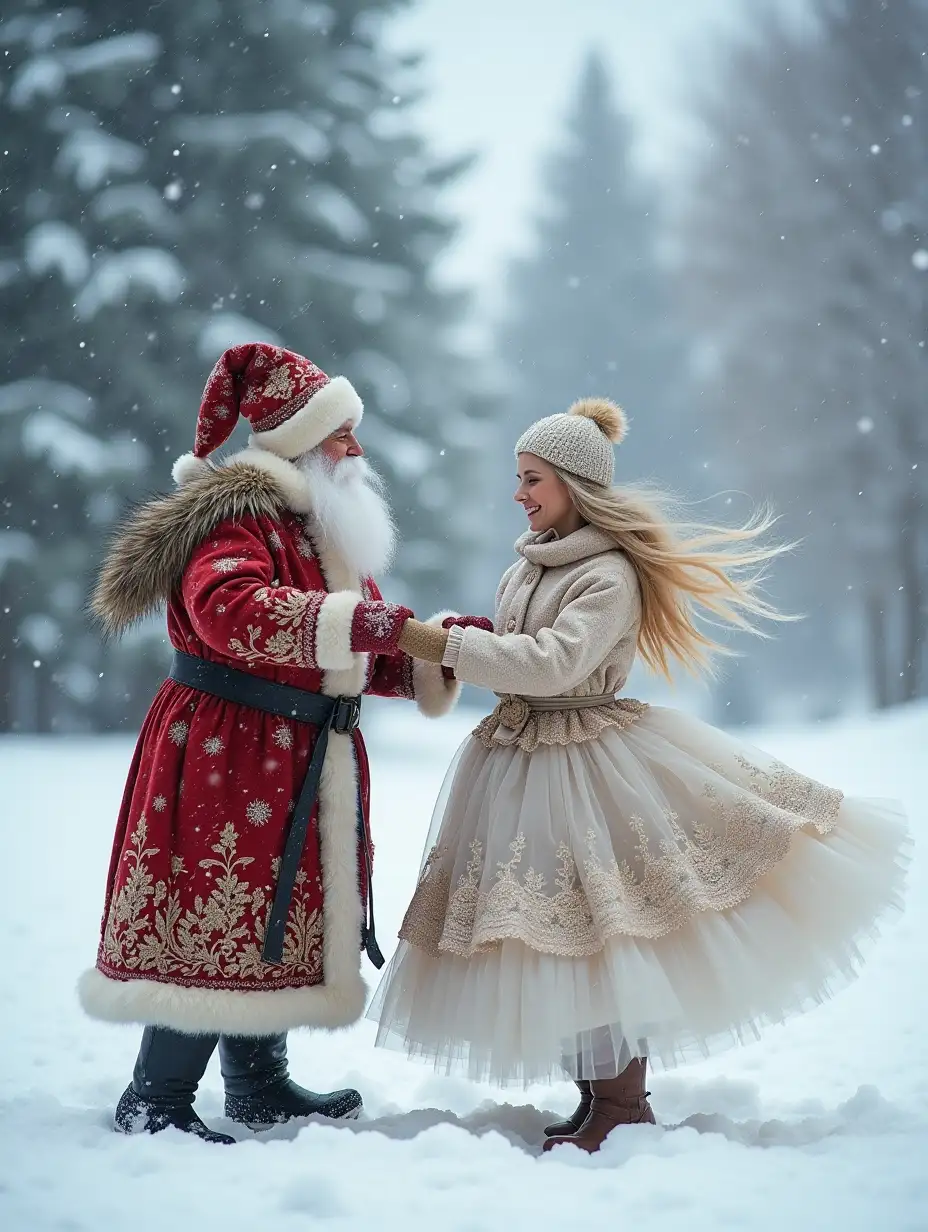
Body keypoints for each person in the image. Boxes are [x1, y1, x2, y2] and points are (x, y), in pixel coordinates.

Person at [373, 396, 910, 1153]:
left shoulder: (607, 575)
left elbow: (556, 664)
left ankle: (623, 1105)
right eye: (518, 478)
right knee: (554, 929)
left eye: (531, 478)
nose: (519, 493)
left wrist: (434, 643)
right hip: (522, 760)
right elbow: (518, 653)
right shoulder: (528, 563)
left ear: (573, 484)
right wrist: (466, 638)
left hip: (584, 763)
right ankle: (597, 1097)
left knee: (603, 926)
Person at [79, 343, 461, 1142]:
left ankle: (259, 1082)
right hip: (225, 745)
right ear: (295, 441)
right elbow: (232, 610)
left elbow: (365, 648)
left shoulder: (323, 528)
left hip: (295, 747)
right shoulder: (235, 515)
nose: (356, 450)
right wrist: (363, 624)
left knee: (274, 908)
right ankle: (157, 1096)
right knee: (217, 906)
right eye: (340, 435)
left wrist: (439, 649)